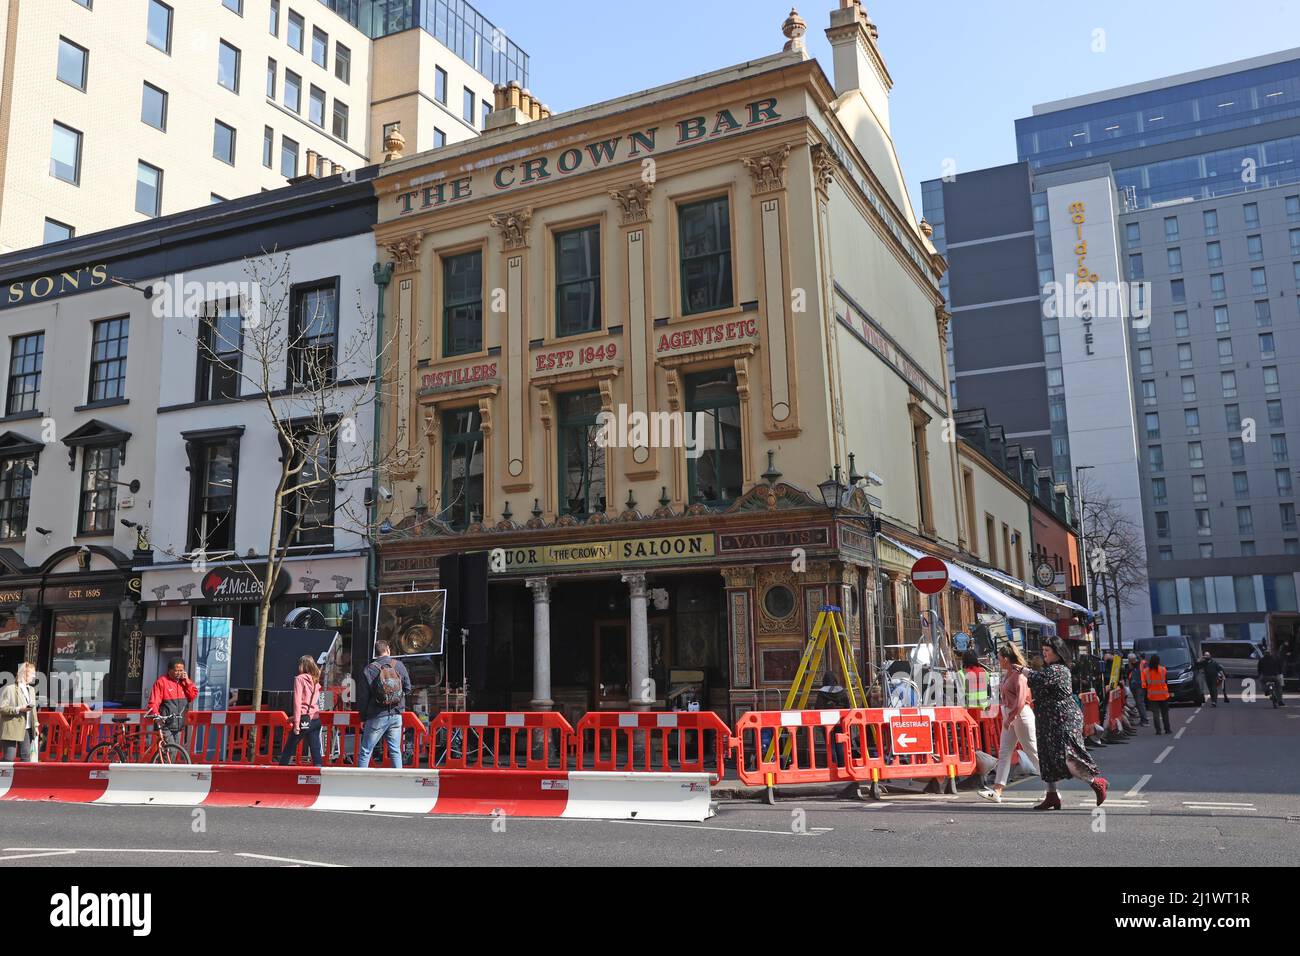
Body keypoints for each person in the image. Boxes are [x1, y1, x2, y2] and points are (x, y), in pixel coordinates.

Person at [1014, 635, 1107, 811]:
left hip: (1063, 719)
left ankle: (1096, 782)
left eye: (1047, 651)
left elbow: (1038, 680)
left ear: (1057, 652)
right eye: (1043, 651)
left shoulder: (1059, 670)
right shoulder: (1050, 669)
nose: (1044, 654)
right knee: (1047, 758)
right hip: (1048, 721)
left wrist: (1022, 670)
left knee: (1067, 756)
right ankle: (1052, 796)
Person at [979, 644, 1039, 803]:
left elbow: (1020, 701)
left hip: (1020, 716)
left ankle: (1052, 786)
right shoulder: (1009, 674)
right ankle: (997, 790)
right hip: (1012, 715)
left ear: (1005, 659)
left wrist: (1010, 717)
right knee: (1004, 752)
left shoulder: (1019, 675)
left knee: (1032, 751)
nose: (998, 662)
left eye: (999, 659)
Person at [356, 640, 411, 768]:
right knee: (395, 751)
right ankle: (399, 781)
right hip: (396, 715)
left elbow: (363, 697)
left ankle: (359, 781)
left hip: (377, 715)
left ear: (375, 652)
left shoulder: (369, 669)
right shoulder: (399, 666)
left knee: (366, 750)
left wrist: (363, 718)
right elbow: (408, 688)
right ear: (388, 649)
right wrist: (396, 699)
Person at [278, 656, 324, 767]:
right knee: (315, 748)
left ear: (302, 665)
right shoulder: (316, 680)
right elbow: (312, 704)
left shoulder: (299, 679)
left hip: (303, 719)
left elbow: (298, 703)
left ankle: (280, 771)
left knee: (289, 747)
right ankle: (319, 771)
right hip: (315, 718)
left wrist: (296, 723)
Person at [146, 658, 198, 746]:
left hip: (179, 724)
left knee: (174, 752)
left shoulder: (183, 683)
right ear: (169, 670)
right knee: (171, 750)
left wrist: (187, 681)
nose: (179, 673)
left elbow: (192, 696)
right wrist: (157, 716)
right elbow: (153, 702)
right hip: (165, 724)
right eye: (176, 670)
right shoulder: (161, 682)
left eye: (181, 670)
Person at [0, 661, 39, 761]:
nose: (34, 676)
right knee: (9, 758)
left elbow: (33, 709)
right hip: (12, 727)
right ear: (24, 673)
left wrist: (35, 725)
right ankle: (3, 777)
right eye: (32, 674)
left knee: (26, 757)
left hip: (27, 728)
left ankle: (23, 777)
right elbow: (2, 708)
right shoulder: (10, 689)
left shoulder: (31, 690)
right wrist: (19, 709)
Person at [1143, 653, 1172, 734]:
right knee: (1165, 714)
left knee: (1155, 714)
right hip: (1163, 695)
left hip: (1152, 696)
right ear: (1158, 661)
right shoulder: (1163, 670)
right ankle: (1167, 729)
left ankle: (1158, 730)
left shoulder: (1146, 671)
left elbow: (1145, 684)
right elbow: (1166, 681)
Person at [1125, 653, 1149, 726]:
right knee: (1138, 703)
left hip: (1140, 686)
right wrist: (1130, 666)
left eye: (1132, 659)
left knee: (1140, 703)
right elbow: (1127, 674)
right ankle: (1142, 720)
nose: (1131, 661)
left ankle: (1145, 720)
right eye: (1130, 660)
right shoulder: (1130, 666)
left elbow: (1146, 673)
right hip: (1134, 686)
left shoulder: (1142, 664)